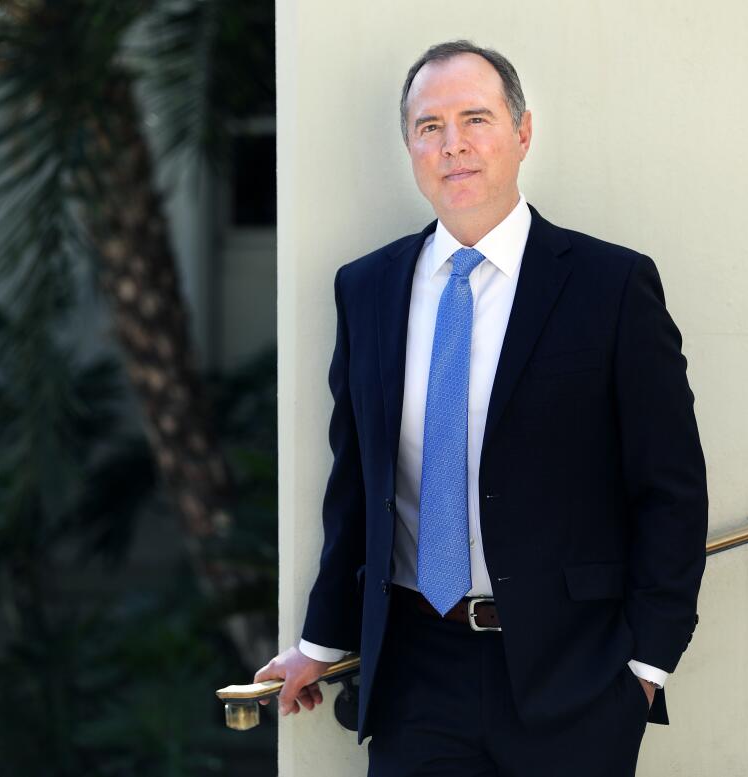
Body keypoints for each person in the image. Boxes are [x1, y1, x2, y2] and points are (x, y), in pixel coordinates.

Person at [256, 39, 708, 776]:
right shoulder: (367, 288)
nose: (453, 145)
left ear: (522, 134)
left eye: (476, 119)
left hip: (574, 675)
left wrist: (647, 664)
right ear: (409, 145)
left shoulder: (611, 285)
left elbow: (672, 488)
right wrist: (321, 641)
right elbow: (358, 487)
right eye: (429, 126)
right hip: (415, 670)